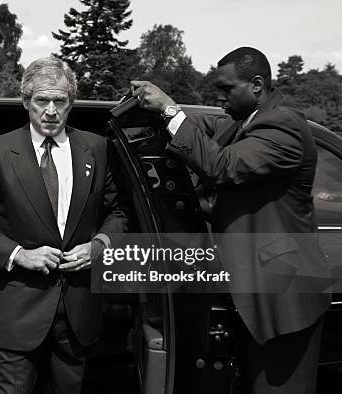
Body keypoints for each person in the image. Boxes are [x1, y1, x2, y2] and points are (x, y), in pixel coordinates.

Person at [130, 47, 331, 393]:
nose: (218, 97)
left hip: (283, 301)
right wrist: (157, 113)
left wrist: (169, 108)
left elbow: (221, 165)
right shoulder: (244, 123)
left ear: (256, 85)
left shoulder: (284, 126)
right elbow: (204, 129)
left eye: (226, 89)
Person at [0, 56, 128, 393]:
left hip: (79, 314)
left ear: (71, 103)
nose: (51, 111)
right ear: (25, 102)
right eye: (41, 101)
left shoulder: (97, 149)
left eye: (59, 101)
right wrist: (19, 254)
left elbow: (118, 212)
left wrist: (100, 246)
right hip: (18, 313)